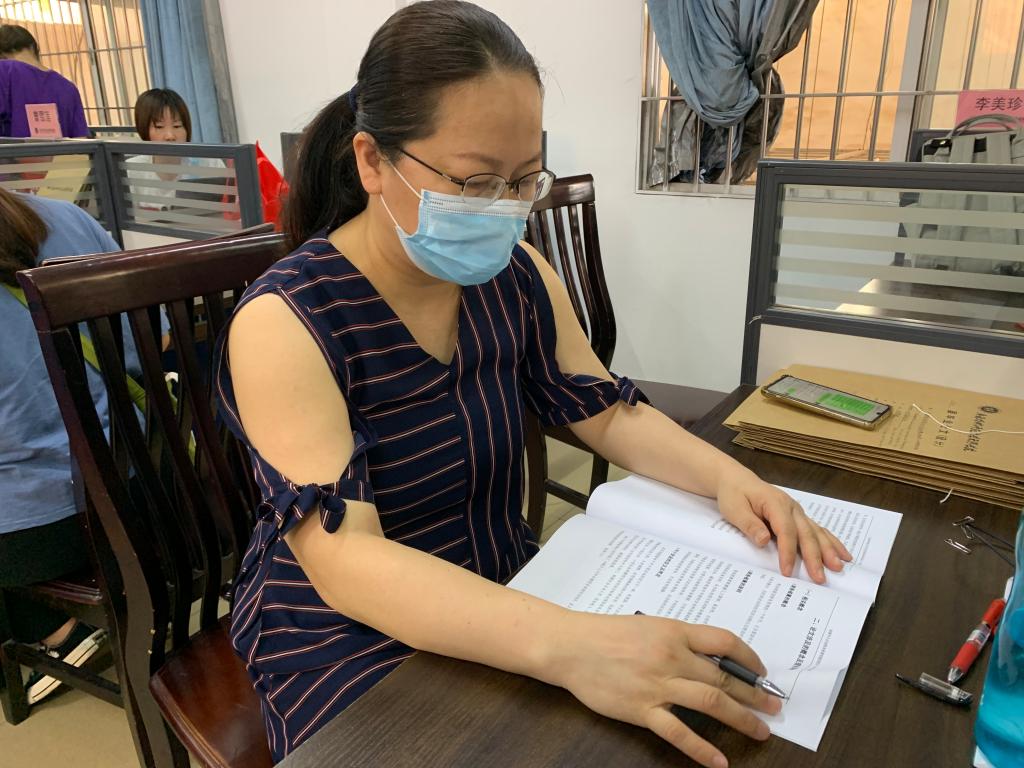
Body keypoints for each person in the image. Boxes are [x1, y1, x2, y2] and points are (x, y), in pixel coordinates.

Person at [216, 3, 852, 765]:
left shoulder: (514, 275)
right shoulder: (288, 318)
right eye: (476, 181)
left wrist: (731, 481)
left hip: (501, 582)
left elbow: (602, 410)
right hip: (346, 631)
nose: (505, 209)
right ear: (373, 161)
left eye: (523, 180)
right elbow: (346, 559)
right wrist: (575, 645)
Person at [0, 188, 121, 704]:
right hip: (145, 491)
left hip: (44, 533)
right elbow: (154, 339)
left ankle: (61, 634)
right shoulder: (65, 217)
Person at [129, 88, 222, 211]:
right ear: (144, 129)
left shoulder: (210, 164)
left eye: (177, 126)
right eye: (159, 127)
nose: (170, 136)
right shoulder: (131, 170)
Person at [0, 25, 88, 138]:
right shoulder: (69, 88)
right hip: (60, 150)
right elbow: (81, 139)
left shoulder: (5, 70)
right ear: (33, 47)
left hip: (13, 149)